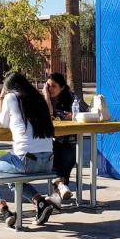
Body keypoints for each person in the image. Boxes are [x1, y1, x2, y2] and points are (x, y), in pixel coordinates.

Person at [0, 73, 56, 229]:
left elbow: (2, 122)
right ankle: (40, 203)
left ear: (9, 89)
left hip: (25, 160)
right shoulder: (39, 99)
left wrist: (2, 98)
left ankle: (4, 211)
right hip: (48, 160)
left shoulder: (11, 98)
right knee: (12, 179)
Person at [42, 72, 88, 205]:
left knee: (57, 168)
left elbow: (86, 111)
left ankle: (59, 191)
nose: (50, 89)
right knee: (58, 170)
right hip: (56, 143)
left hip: (71, 143)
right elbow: (47, 115)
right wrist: (46, 96)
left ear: (62, 87)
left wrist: (76, 115)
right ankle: (60, 192)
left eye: (53, 86)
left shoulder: (71, 97)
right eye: (48, 86)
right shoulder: (46, 98)